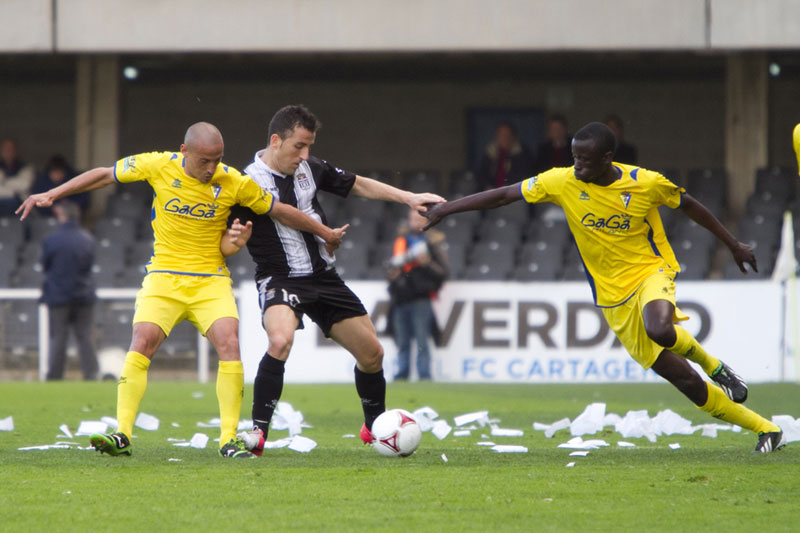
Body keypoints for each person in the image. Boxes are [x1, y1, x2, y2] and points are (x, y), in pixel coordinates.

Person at [423, 121, 786, 453]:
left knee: (659, 327)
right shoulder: (562, 181)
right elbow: (504, 195)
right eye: (574, 157)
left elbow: (690, 206)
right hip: (612, 297)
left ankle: (715, 365)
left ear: (608, 157)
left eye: (585, 159)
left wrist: (733, 244)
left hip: (650, 272)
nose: (578, 165)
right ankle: (764, 428)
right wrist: (447, 209)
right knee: (683, 380)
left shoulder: (646, 182)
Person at [17, 121, 346, 458]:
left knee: (229, 342)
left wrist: (324, 232)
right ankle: (122, 434)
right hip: (164, 277)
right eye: (204, 160)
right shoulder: (157, 164)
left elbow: (280, 210)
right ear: (184, 151)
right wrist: (52, 193)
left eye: (217, 159)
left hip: (210, 280)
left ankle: (228, 439)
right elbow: (103, 174)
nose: (211, 168)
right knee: (141, 342)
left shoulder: (232, 181)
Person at [224, 104, 445, 454]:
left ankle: (374, 427)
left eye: (310, 145)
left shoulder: (310, 169)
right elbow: (234, 235)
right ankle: (257, 433)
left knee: (372, 354)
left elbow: (357, 184)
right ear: (276, 140)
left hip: (323, 278)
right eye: (299, 146)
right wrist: (234, 240)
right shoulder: (244, 182)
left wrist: (408, 198)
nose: (306, 154)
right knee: (279, 341)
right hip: (280, 278)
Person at [387, 207, 448, 381]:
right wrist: (393, 274)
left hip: (421, 298)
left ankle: (424, 375)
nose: (416, 221)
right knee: (402, 342)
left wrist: (427, 263)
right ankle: (402, 374)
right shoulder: (400, 242)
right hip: (400, 298)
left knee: (422, 340)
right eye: (413, 218)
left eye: (420, 218)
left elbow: (443, 273)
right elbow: (389, 269)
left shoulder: (432, 243)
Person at [41, 201, 99, 381]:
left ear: (61, 216)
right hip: (83, 295)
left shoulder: (52, 240)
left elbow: (45, 265)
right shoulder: (88, 239)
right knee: (86, 338)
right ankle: (91, 375)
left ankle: (55, 377)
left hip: (59, 297)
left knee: (58, 338)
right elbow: (89, 265)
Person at [476, 123, 535, 191]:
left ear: (513, 136)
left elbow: (525, 178)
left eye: (507, 135)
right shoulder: (490, 152)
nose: (504, 138)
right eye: (501, 135)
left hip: (514, 194)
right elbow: (481, 177)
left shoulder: (523, 153)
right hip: (491, 193)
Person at [0, 138, 35, 217]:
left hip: (21, 209)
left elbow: (25, 185)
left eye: (10, 149)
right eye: (6, 149)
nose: (8, 151)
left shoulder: (25, 167)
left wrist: (3, 181)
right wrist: (14, 192)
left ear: (16, 151)